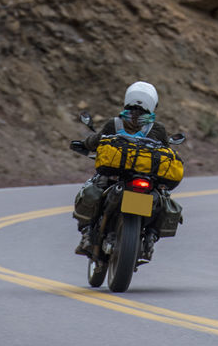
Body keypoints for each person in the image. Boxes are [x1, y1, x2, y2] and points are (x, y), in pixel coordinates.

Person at [73, 80, 170, 260]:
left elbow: (97, 141)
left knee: (92, 188)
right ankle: (150, 238)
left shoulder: (115, 123)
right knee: (162, 199)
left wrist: (84, 143)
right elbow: (167, 152)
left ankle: (87, 234)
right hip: (146, 180)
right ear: (153, 104)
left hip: (116, 177)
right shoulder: (158, 128)